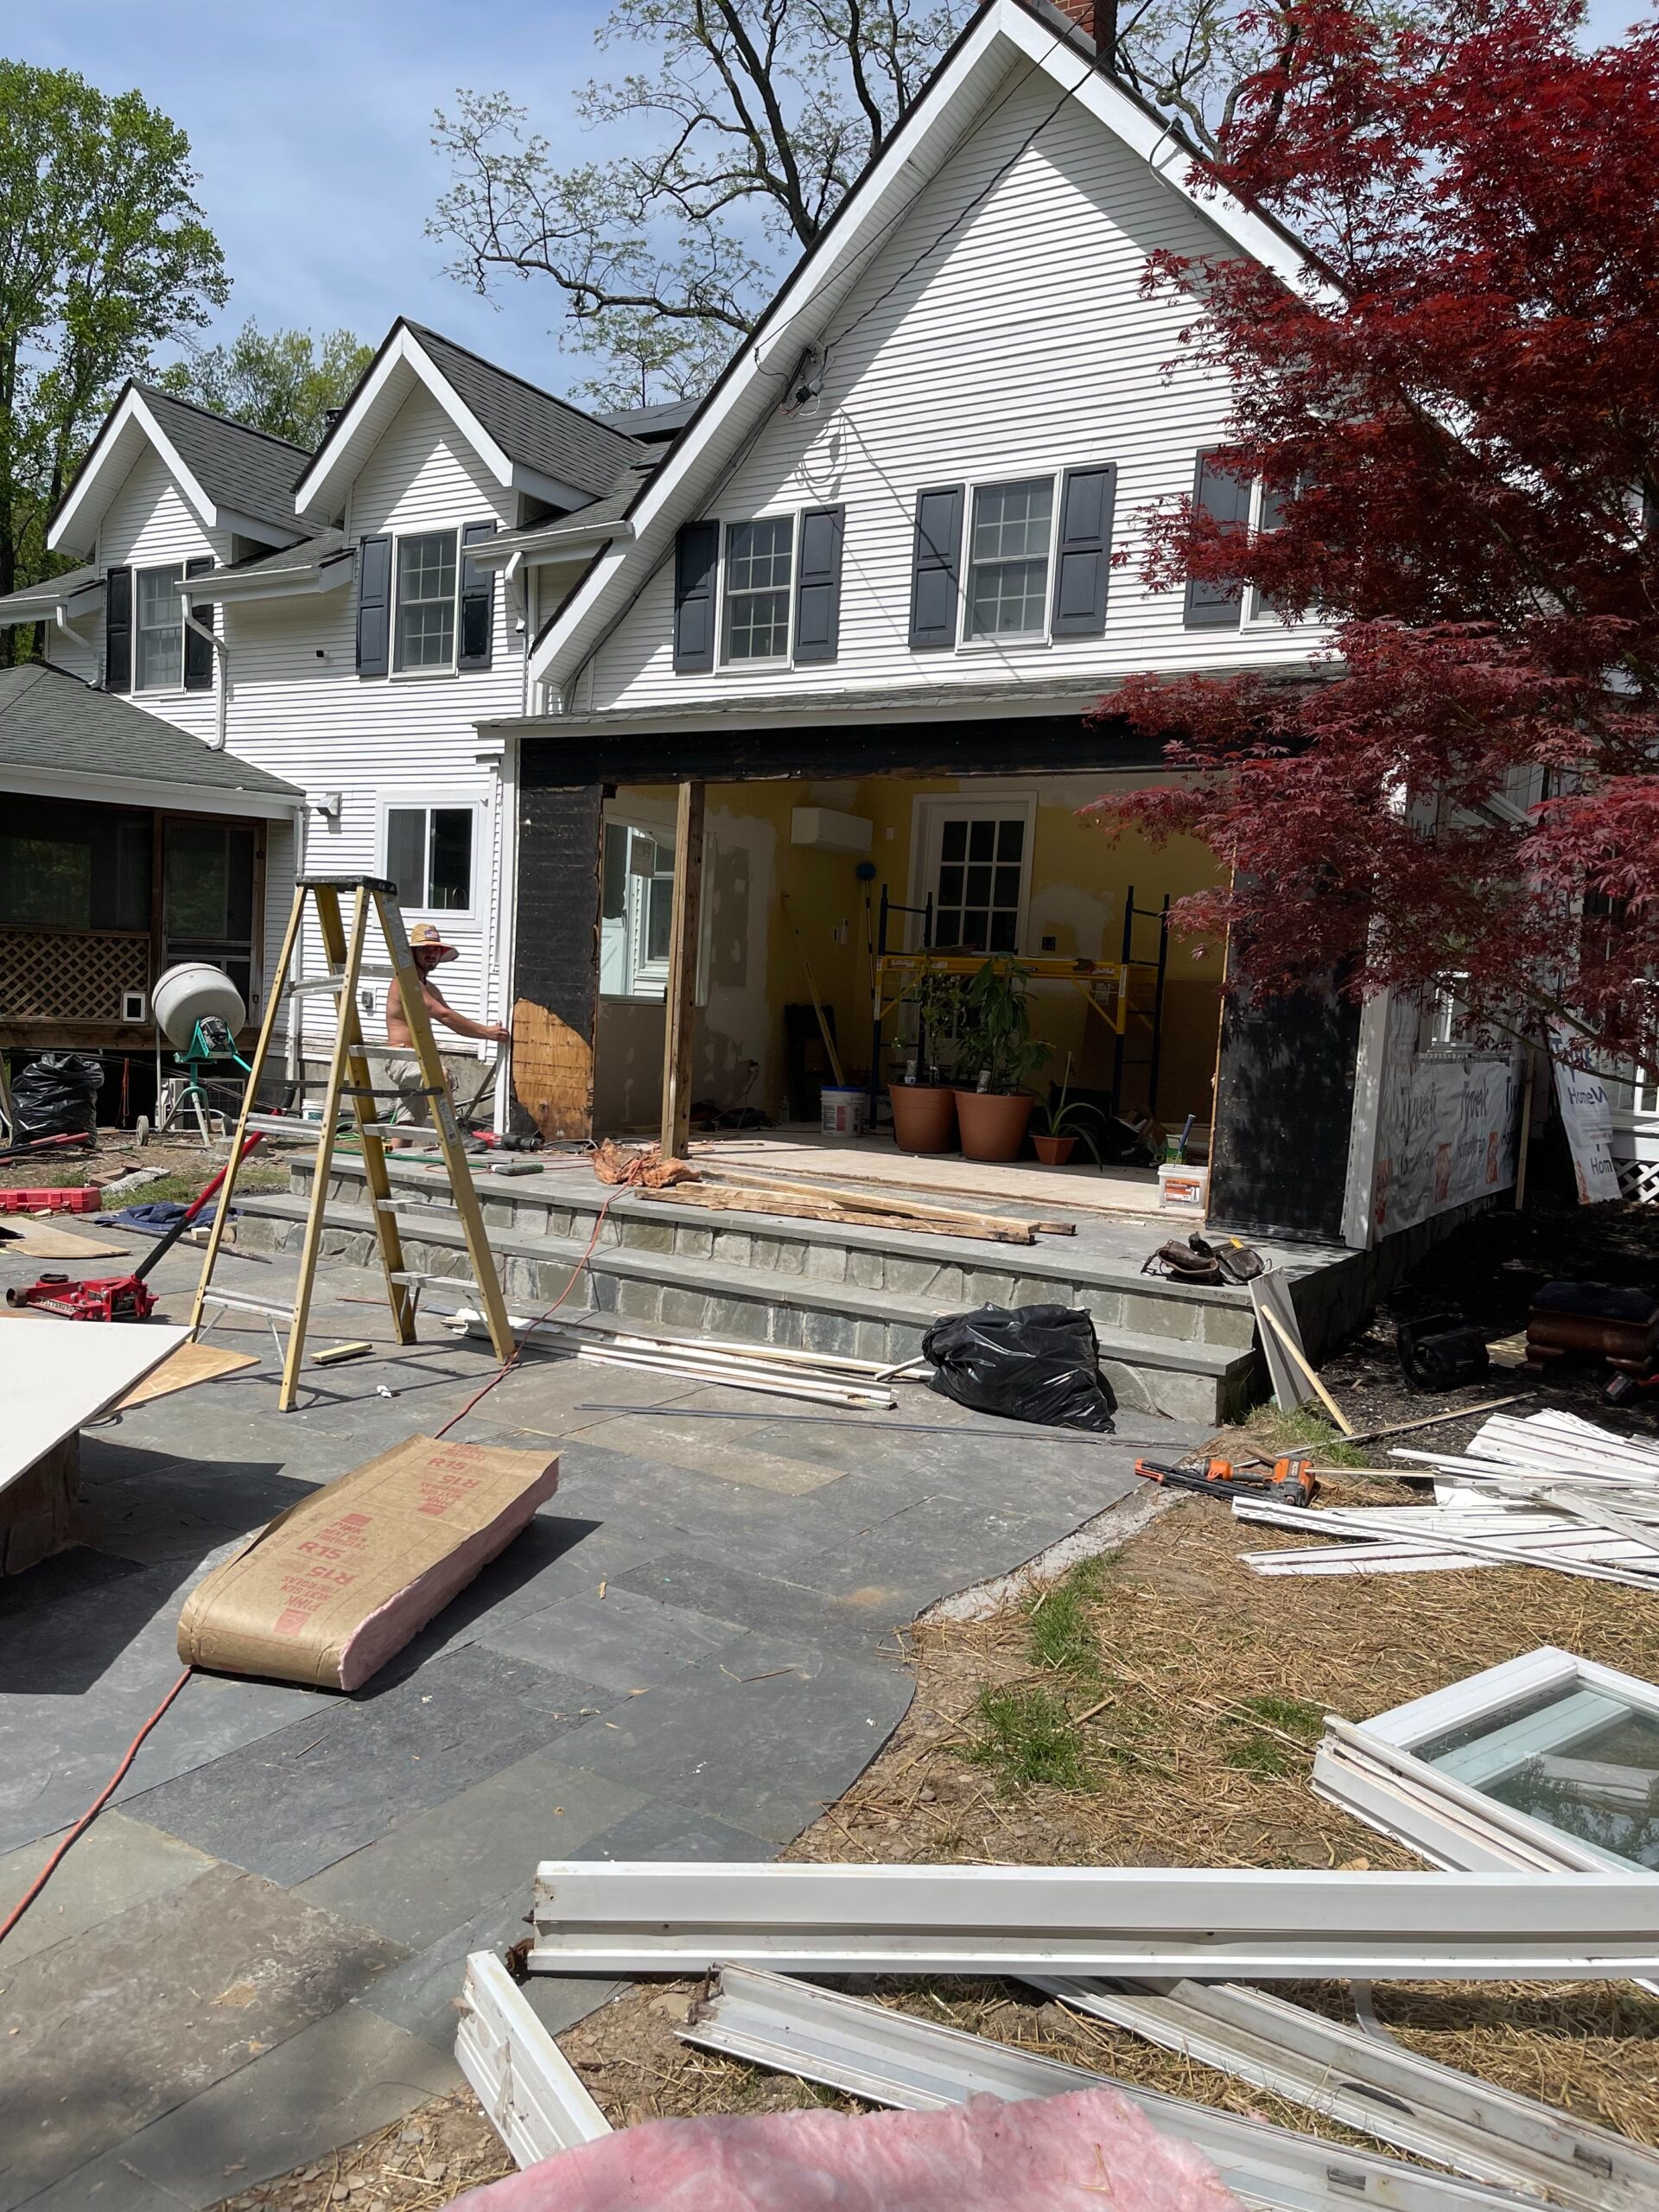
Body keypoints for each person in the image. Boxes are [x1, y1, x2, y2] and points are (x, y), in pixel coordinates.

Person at [382, 921, 511, 1145]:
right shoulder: (405, 982)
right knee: (440, 1076)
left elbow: (452, 1020)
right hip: (401, 1058)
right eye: (425, 949)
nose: (432, 954)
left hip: (418, 1058)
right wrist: (486, 1032)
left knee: (408, 1123)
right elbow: (443, 1014)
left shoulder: (429, 988)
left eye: (436, 950)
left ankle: (395, 1158)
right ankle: (456, 1131)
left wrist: (486, 1033)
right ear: (412, 953)